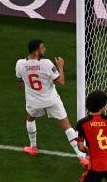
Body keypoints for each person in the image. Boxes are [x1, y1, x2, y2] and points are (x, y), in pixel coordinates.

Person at [15, 39, 88, 167]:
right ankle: (82, 157)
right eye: (43, 48)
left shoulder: (20, 64)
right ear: (37, 51)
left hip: (33, 102)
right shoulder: (47, 63)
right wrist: (60, 66)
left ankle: (33, 147)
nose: (45, 50)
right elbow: (61, 81)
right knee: (67, 127)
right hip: (51, 100)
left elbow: (20, 82)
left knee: (30, 118)